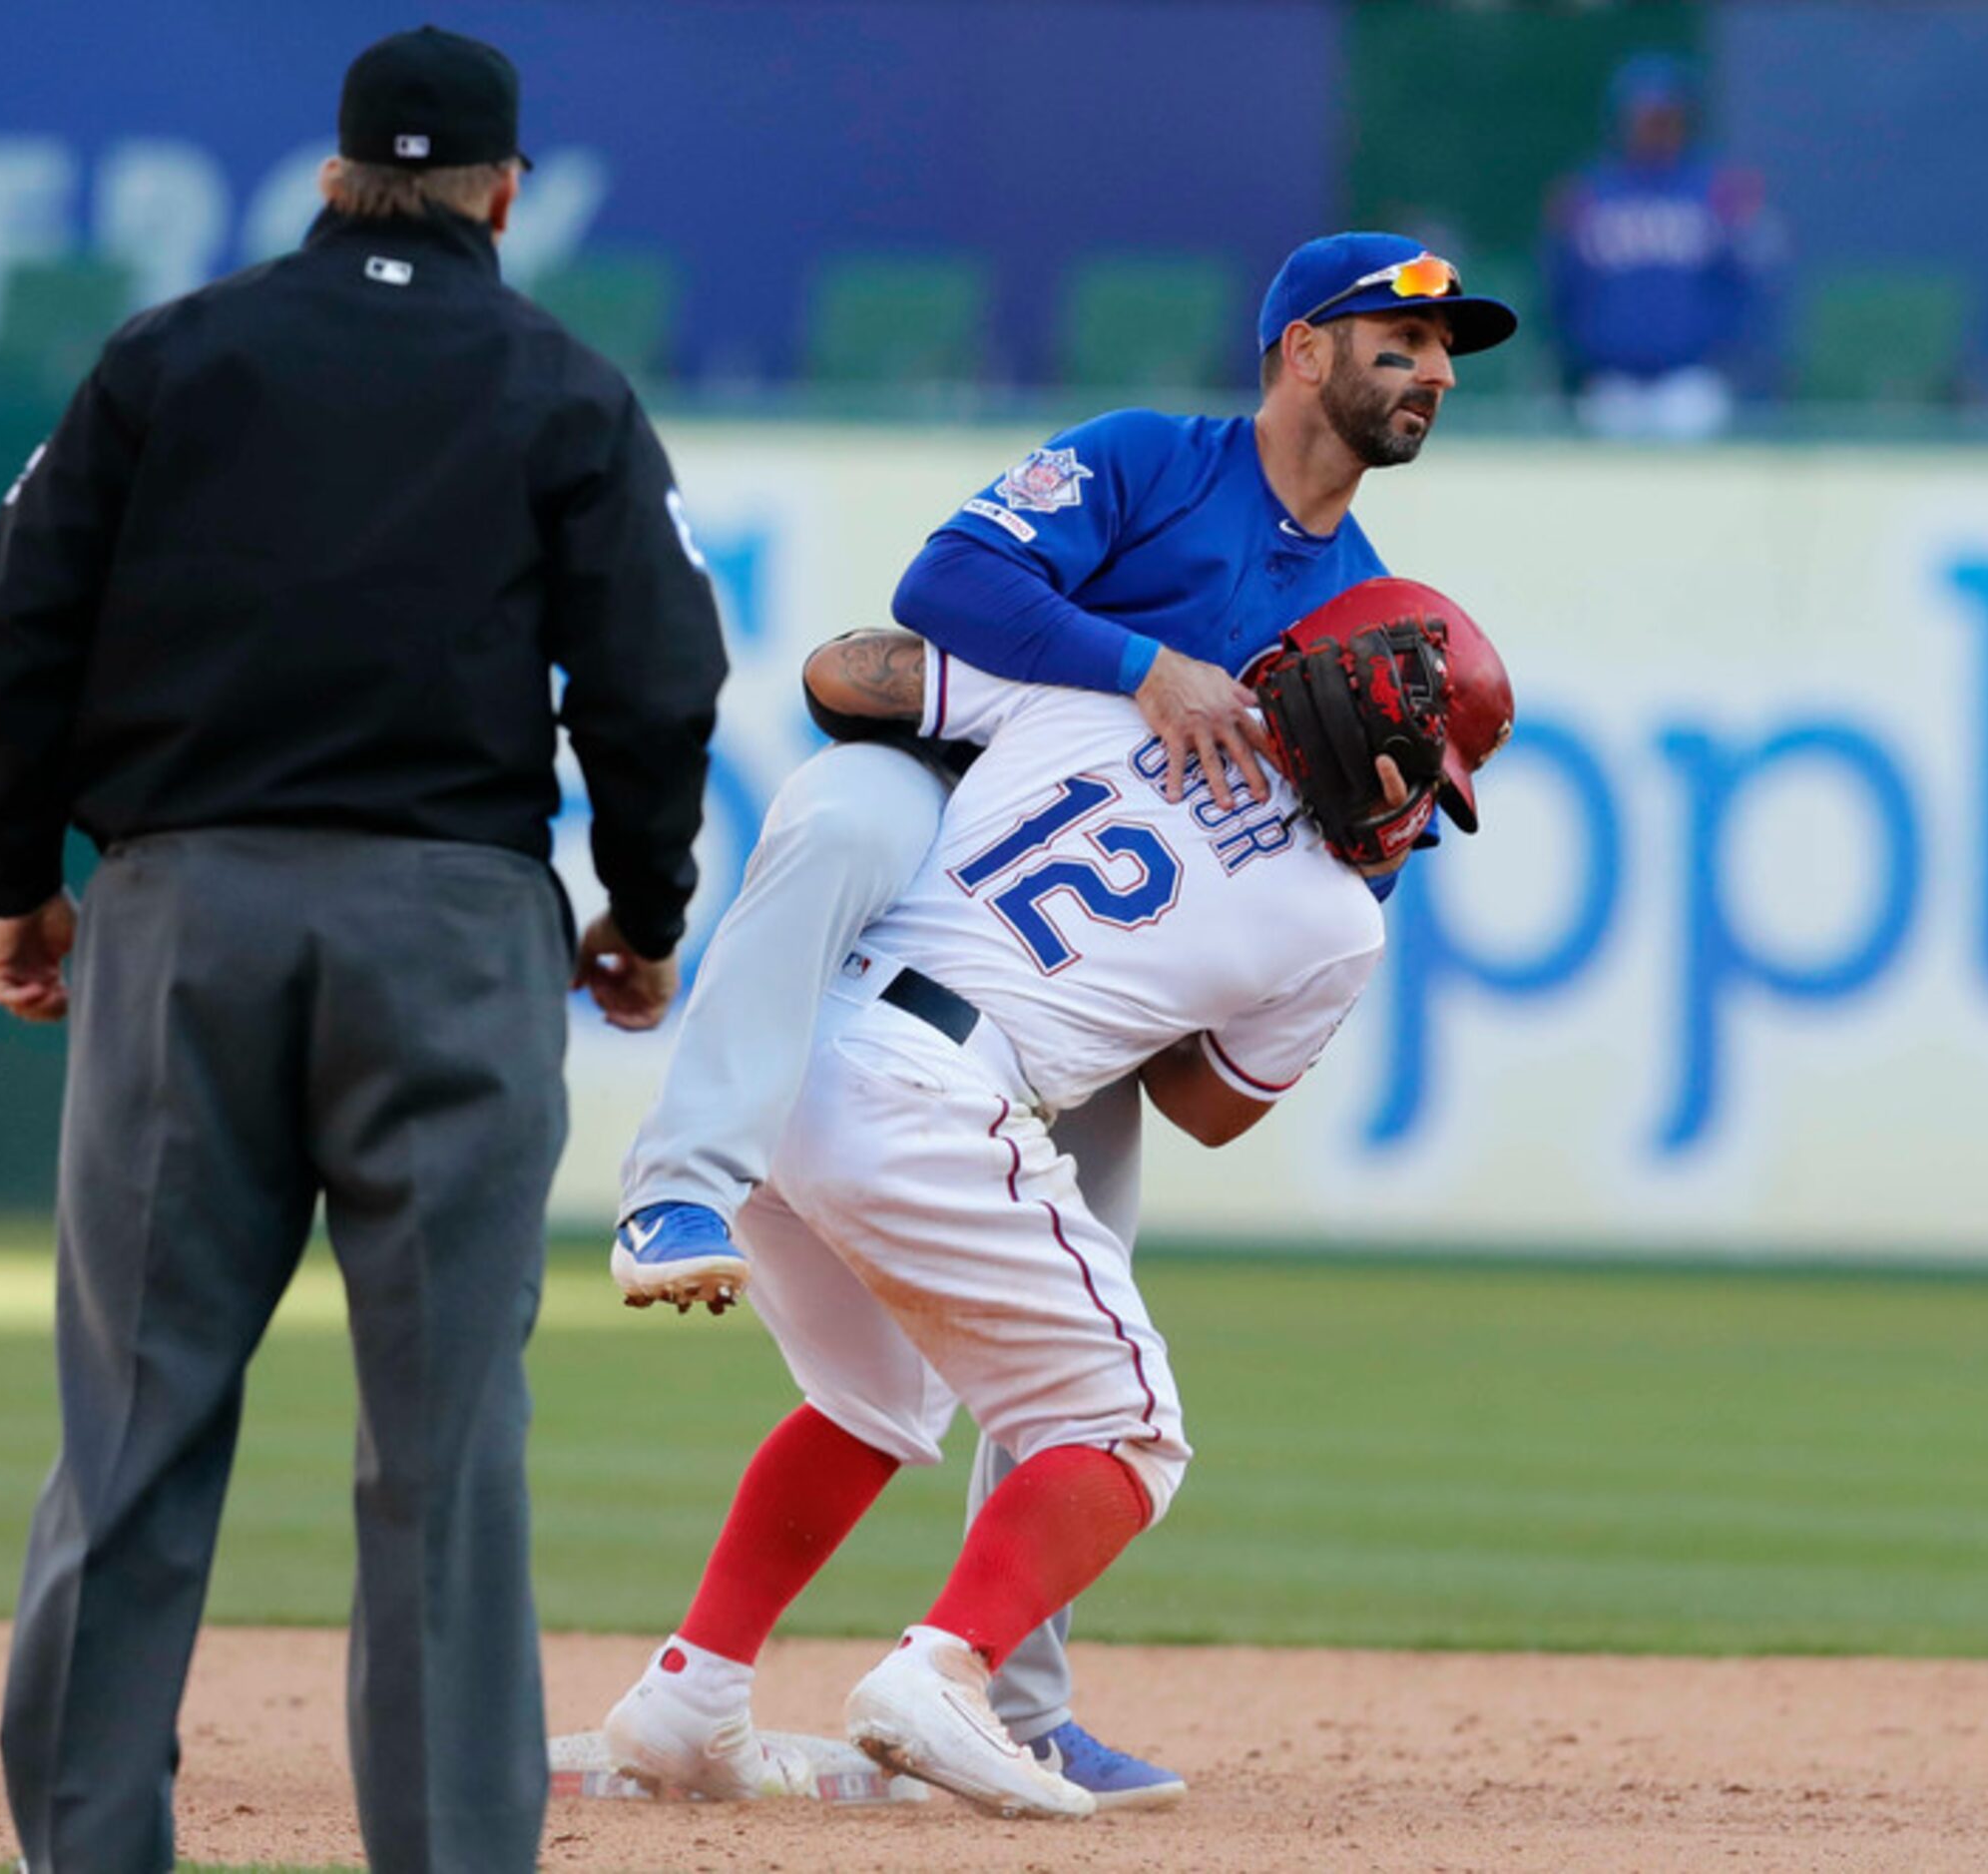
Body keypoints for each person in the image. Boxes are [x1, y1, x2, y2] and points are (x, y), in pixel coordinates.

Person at [603, 232, 1517, 1807]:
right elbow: (919, 607)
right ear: (1303, 348)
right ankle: (679, 1182)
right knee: (830, 819)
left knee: (990, 1352)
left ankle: (998, 1696)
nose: (1434, 372)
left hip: (1063, 965)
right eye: (1403, 340)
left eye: (1446, 353)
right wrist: (1141, 664)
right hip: (950, 806)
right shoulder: (1152, 462)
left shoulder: (1366, 607)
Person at [0, 27, 726, 1874]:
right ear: (506, 191)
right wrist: (642, 909)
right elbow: (656, 673)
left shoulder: (171, 354)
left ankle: (89, 1850)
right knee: (442, 1459)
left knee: (131, 1431)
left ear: (328, 178)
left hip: (182, 918)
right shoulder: (560, 380)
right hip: (448, 935)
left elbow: (15, 625)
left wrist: (21, 883)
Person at [1544, 52, 1783, 441]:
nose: (1654, 126)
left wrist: (1738, 366)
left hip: (1692, 384)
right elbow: (1560, 291)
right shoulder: (1588, 194)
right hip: (1609, 383)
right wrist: (1570, 367)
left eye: (1665, 115)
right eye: (1644, 115)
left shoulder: (1720, 190)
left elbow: (1753, 287)